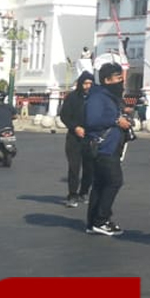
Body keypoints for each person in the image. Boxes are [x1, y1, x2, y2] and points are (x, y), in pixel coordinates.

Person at [84, 64, 134, 237]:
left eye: (121, 78)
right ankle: (101, 220)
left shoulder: (109, 97)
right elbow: (92, 120)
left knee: (100, 184)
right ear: (107, 80)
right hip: (104, 147)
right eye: (117, 78)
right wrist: (116, 120)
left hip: (110, 146)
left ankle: (93, 222)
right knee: (114, 181)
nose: (121, 81)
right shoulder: (98, 97)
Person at [58, 72, 96, 208]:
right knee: (74, 168)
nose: (87, 87)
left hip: (91, 137)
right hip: (74, 138)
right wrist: (75, 127)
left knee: (89, 168)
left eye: (90, 84)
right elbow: (64, 116)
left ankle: (84, 192)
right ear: (80, 84)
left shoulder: (96, 98)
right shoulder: (72, 98)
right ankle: (72, 195)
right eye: (85, 83)